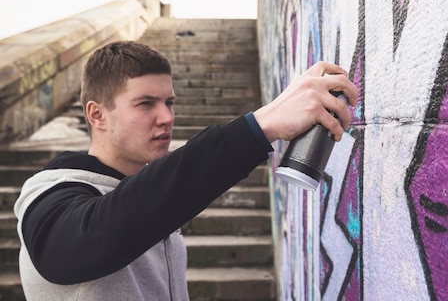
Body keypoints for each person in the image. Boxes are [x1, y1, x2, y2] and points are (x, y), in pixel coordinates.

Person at [13, 40, 357, 300]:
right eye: (145, 103)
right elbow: (86, 241)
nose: (166, 117)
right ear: (97, 114)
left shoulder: (150, 202)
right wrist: (259, 126)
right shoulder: (49, 197)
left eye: (170, 102)